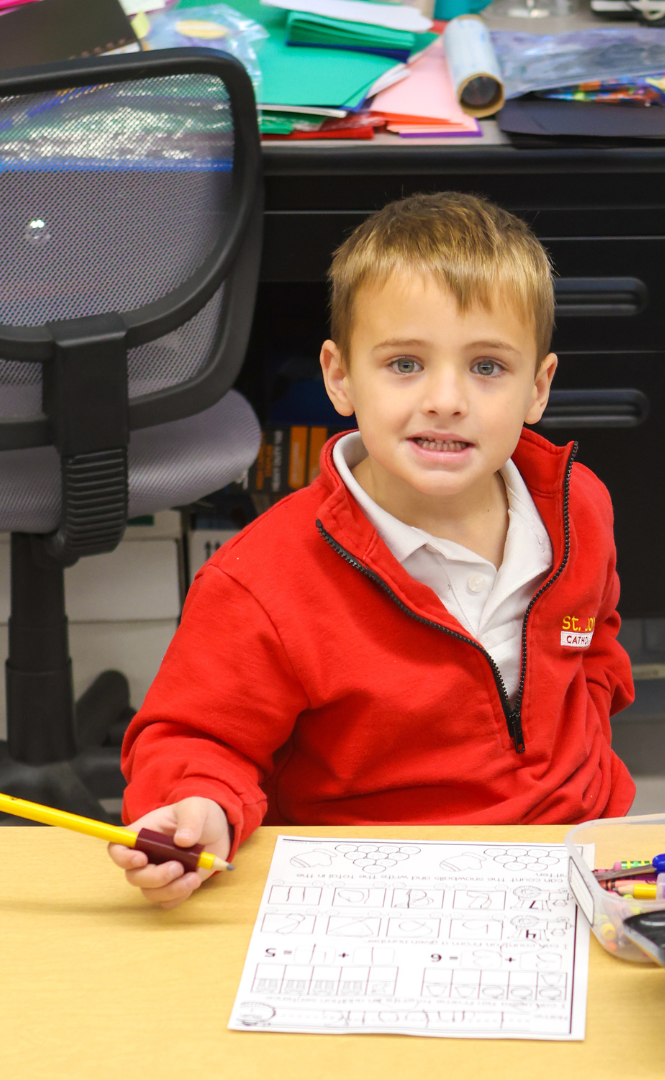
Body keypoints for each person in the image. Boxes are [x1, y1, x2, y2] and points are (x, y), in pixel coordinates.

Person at [110, 192, 636, 908]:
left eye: (487, 367)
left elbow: (592, 635)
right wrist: (199, 802)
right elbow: (194, 737)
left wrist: (591, 722)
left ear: (537, 388)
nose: (446, 399)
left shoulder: (580, 507)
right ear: (339, 376)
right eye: (404, 364)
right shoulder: (260, 580)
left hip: (573, 849)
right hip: (375, 880)